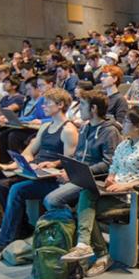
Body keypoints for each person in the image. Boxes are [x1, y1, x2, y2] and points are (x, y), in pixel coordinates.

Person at [58, 107, 139, 274]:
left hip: (131, 196)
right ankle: (86, 246)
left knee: (84, 210)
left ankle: (99, 252)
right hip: (113, 191)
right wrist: (111, 176)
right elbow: (114, 166)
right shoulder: (123, 144)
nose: (123, 125)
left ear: (137, 127)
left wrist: (125, 186)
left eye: (126, 122)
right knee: (86, 193)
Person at [0, 87, 79, 263]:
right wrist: (23, 163)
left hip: (53, 178)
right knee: (1, 183)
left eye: (48, 103)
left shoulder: (69, 130)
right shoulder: (45, 126)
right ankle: (20, 228)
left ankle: (5, 242)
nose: (44, 106)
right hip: (37, 172)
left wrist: (52, 164)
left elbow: (68, 161)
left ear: (60, 105)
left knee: (17, 189)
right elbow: (29, 151)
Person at [41, 90, 121, 242]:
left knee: (52, 200)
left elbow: (109, 163)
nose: (79, 109)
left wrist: (77, 173)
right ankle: (71, 237)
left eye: (83, 105)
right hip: (79, 177)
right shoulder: (85, 128)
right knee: (48, 192)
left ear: (94, 109)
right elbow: (78, 156)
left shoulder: (110, 131)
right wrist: (67, 169)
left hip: (95, 180)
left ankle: (72, 236)